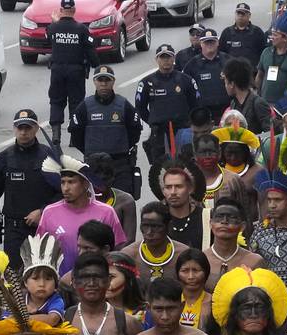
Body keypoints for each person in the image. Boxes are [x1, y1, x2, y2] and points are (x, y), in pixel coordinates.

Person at [37, 156, 126, 279]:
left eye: (71, 182)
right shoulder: (49, 212)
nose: (66, 188)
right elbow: (40, 252)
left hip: (96, 283)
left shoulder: (106, 212)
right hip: (61, 285)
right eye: (63, 182)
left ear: (85, 184)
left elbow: (117, 250)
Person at [0, 110, 61, 259]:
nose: (23, 132)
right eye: (19, 128)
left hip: (43, 226)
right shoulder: (3, 159)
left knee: (44, 273)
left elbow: (63, 192)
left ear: (36, 128)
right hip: (14, 230)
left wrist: (43, 211)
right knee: (15, 276)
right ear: (14, 129)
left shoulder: (49, 156)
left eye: (28, 128)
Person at [69, 66, 143, 196]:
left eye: (107, 80)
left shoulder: (123, 104)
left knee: (123, 200)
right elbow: (76, 134)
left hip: (120, 165)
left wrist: (121, 148)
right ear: (94, 82)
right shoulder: (85, 106)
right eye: (100, 80)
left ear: (113, 82)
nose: (104, 84)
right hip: (94, 166)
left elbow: (135, 131)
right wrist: (91, 153)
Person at [138, 44, 202, 187]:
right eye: (163, 57)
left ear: (173, 59)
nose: (166, 60)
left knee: (187, 164)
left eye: (169, 57)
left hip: (182, 129)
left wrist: (188, 122)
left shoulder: (186, 80)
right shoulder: (147, 82)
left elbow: (196, 104)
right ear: (157, 60)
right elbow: (140, 108)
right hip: (159, 132)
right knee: (159, 168)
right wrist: (153, 121)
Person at [43, 0, 98, 145]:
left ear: (61, 10)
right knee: (76, 103)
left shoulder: (53, 28)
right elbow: (91, 51)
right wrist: (96, 66)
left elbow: (48, 41)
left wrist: (55, 22)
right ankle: (74, 136)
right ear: (74, 10)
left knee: (56, 101)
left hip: (57, 71)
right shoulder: (81, 29)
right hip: (76, 71)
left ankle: (56, 134)